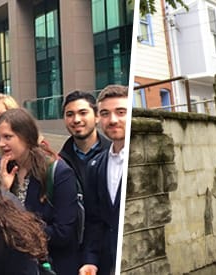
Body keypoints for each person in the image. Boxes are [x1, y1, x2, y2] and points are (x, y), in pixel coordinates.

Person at [0, 108, 81, 275]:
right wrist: (2, 189)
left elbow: (63, 233)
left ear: (26, 136)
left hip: (51, 265)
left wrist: (16, 231)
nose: (1, 144)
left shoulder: (58, 172)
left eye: (8, 137)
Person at [79, 85, 128, 275]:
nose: (113, 120)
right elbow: (94, 220)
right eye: (105, 113)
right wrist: (90, 260)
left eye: (121, 112)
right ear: (99, 118)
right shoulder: (95, 165)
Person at [60, 90, 112, 188]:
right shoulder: (60, 162)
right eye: (70, 114)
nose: (76, 120)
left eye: (83, 113)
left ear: (97, 116)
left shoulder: (113, 155)